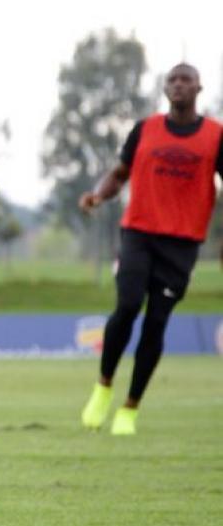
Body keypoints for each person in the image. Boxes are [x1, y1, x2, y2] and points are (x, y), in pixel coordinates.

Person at [78, 63, 223, 436]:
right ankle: (104, 385)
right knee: (127, 306)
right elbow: (119, 173)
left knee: (156, 323)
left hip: (182, 242)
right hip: (138, 233)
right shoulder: (145, 129)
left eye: (185, 80)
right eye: (172, 80)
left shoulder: (215, 136)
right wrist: (98, 194)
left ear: (198, 87)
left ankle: (130, 408)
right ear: (164, 89)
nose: (178, 85)